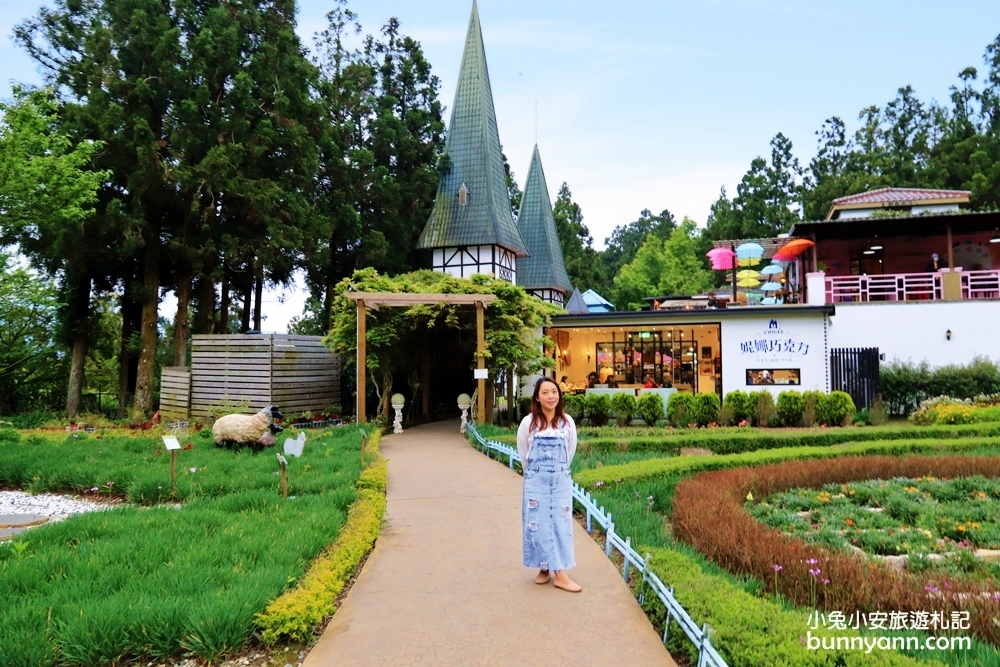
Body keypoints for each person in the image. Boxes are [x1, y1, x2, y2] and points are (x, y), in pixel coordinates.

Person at [516, 378, 582, 593]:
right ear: (537, 397)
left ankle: (560, 573)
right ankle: (544, 567)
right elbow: (524, 454)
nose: (551, 396)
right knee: (538, 522)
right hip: (536, 480)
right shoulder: (528, 423)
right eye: (545, 392)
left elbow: (569, 452)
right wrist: (537, 474)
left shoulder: (568, 422)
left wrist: (557, 471)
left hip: (561, 480)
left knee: (560, 524)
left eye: (554, 391)